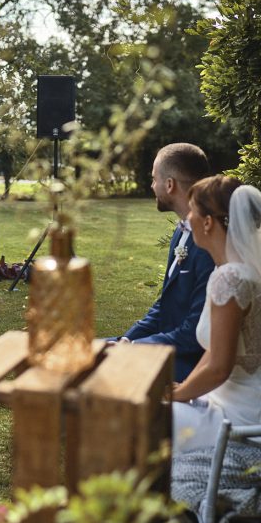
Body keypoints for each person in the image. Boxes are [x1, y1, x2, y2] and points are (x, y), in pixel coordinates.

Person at [170, 175, 261, 453]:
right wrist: (185, 390)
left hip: (241, 417)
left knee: (144, 417)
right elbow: (216, 351)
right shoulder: (242, 271)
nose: (187, 219)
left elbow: (219, 368)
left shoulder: (230, 278)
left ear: (208, 222)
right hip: (252, 403)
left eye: (191, 212)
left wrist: (177, 395)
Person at [113, 143, 215, 383]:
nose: (151, 186)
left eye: (153, 179)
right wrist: (128, 340)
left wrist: (136, 349)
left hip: (189, 363)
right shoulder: (181, 234)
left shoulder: (210, 247)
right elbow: (164, 305)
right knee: (85, 352)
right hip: (164, 346)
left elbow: (194, 334)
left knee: (95, 369)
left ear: (169, 185)